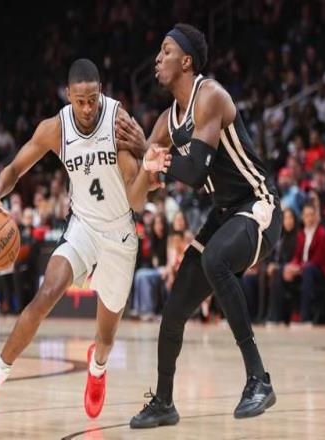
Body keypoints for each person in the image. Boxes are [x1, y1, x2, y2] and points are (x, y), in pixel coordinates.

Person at [0, 58, 169, 420]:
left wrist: (147, 169)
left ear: (100, 93)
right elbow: (14, 168)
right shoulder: (55, 128)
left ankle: (97, 368)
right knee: (46, 294)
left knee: (105, 339)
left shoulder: (117, 122)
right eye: (80, 101)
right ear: (68, 95)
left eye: (93, 100)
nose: (87, 109)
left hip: (120, 233)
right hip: (82, 226)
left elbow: (139, 198)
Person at [116, 23, 282, 427]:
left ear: (187, 61)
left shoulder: (210, 96)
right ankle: (164, 402)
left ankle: (259, 380)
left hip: (259, 204)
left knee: (214, 260)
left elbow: (193, 171)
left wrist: (151, 153)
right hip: (225, 214)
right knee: (174, 309)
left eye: (166, 50)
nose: (158, 58)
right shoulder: (164, 122)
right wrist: (130, 157)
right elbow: (138, 199)